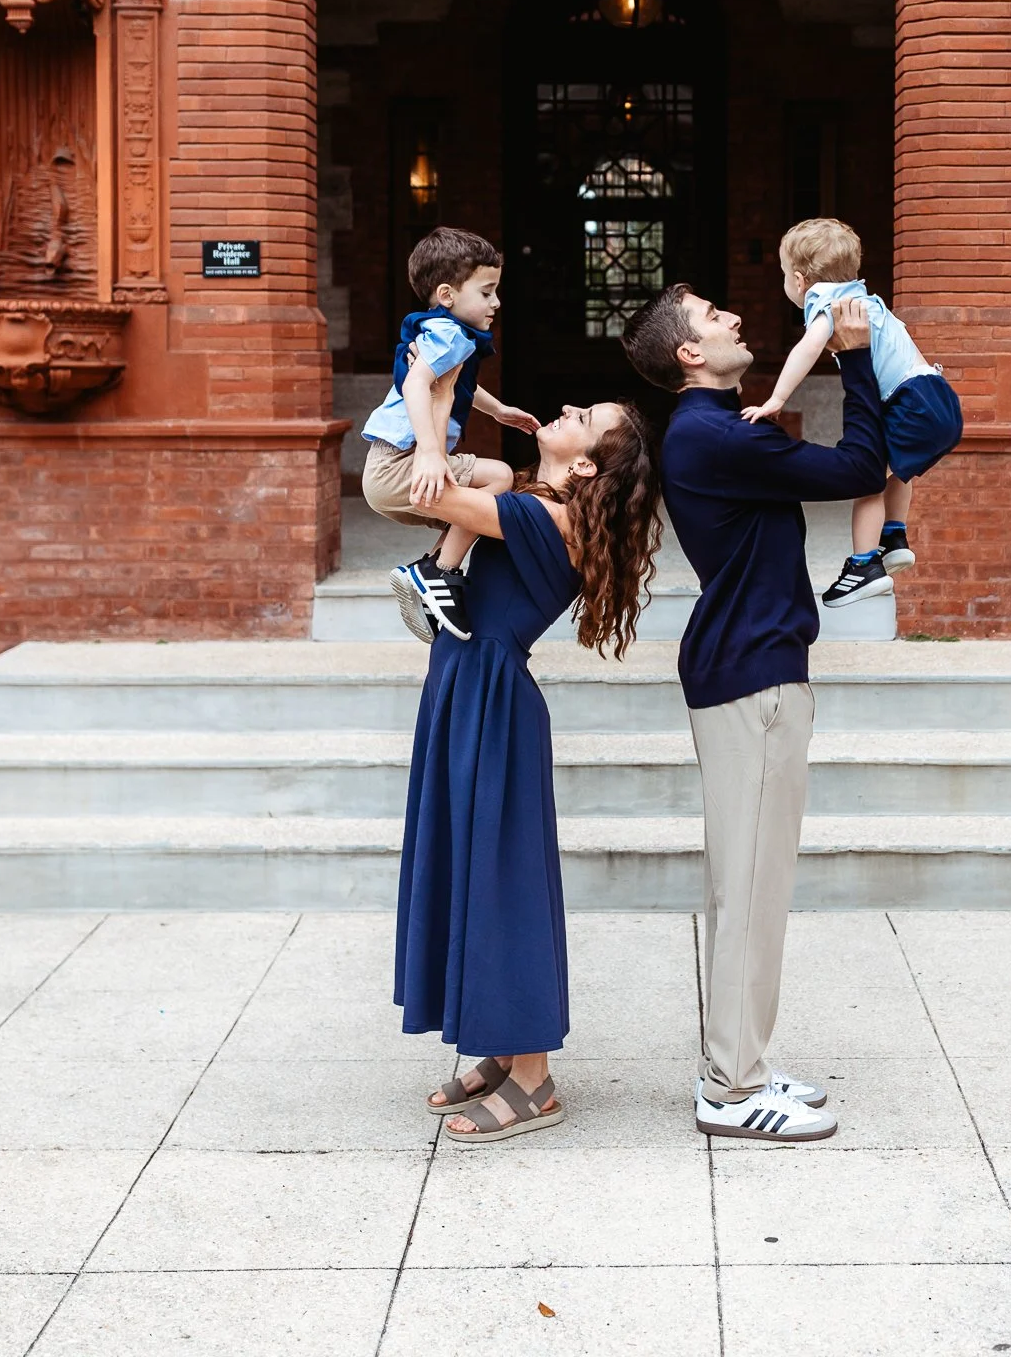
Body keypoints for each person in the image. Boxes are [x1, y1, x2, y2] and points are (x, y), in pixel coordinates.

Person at [622, 281, 885, 1144]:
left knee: (750, 883)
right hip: (751, 679)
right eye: (711, 317)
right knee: (750, 888)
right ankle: (731, 1090)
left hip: (749, 668)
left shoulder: (722, 432)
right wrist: (853, 358)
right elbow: (859, 468)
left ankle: (741, 1065)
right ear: (689, 355)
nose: (733, 316)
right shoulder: (710, 434)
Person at [397, 399, 660, 1146]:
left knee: (503, 880)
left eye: (585, 415)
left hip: (492, 702)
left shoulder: (543, 518)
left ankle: (535, 1078)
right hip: (465, 692)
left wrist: (434, 398)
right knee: (469, 869)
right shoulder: (524, 501)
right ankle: (501, 1047)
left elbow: (414, 489)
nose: (566, 405)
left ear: (583, 465)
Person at [742, 218, 963, 607]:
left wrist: (777, 398)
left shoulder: (828, 303)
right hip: (938, 398)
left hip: (910, 401)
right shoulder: (865, 298)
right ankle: (893, 537)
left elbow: (807, 349)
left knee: (868, 478)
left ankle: (863, 565)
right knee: (895, 467)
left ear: (798, 280)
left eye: (782, 276)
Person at [359, 226, 539, 643]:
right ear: (447, 295)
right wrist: (430, 452)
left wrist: (498, 411)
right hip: (398, 464)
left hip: (387, 471)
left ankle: (434, 572)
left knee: (477, 506)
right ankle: (439, 572)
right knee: (499, 477)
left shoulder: (444, 333)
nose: (496, 302)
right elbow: (416, 384)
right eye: (487, 291)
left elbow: (457, 385)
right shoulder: (449, 333)